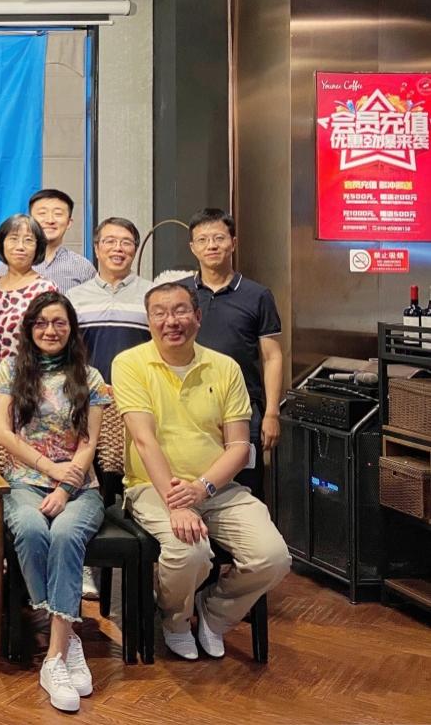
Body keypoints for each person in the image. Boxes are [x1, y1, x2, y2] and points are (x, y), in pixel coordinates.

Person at [114, 282, 291, 661]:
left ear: (197, 316)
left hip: (218, 488)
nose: (171, 321)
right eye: (160, 313)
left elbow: (239, 446)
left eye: (180, 310)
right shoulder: (129, 363)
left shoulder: (225, 367)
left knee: (273, 556)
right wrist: (177, 503)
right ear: (148, 320)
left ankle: (214, 613)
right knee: (188, 552)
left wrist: (202, 487)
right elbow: (144, 440)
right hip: (153, 487)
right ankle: (176, 619)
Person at [0, 291, 108, 712]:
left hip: (80, 488)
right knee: (29, 528)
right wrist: (47, 468)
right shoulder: (10, 370)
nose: (50, 330)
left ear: (71, 328)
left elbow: (89, 443)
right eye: (41, 323)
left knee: (65, 534)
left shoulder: (90, 377)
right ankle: (69, 635)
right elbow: (3, 433)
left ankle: (54, 658)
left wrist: (64, 488)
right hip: (25, 481)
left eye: (59, 322)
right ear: (29, 329)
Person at [183, 208, 284, 495]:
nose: (211, 246)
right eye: (202, 240)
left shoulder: (258, 295)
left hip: (243, 408)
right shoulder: (180, 293)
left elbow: (272, 356)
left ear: (233, 243)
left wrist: (272, 413)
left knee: (245, 486)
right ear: (193, 248)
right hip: (188, 405)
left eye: (219, 238)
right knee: (190, 482)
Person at [0, 214, 58, 469]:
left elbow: (52, 340)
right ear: (1, 244)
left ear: (38, 247)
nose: (20, 246)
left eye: (28, 240)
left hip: (32, 386)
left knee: (27, 459)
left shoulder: (45, 289)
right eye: (13, 239)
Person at [66, 217, 153, 382]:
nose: (118, 248)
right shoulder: (74, 297)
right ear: (96, 249)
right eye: (110, 241)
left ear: (135, 250)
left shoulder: (153, 294)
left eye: (126, 242)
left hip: (139, 390)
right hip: (87, 391)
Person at [27, 189, 97, 292]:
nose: (50, 220)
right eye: (42, 213)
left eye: (58, 214)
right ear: (29, 221)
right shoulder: (12, 262)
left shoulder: (83, 267)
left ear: (69, 223)